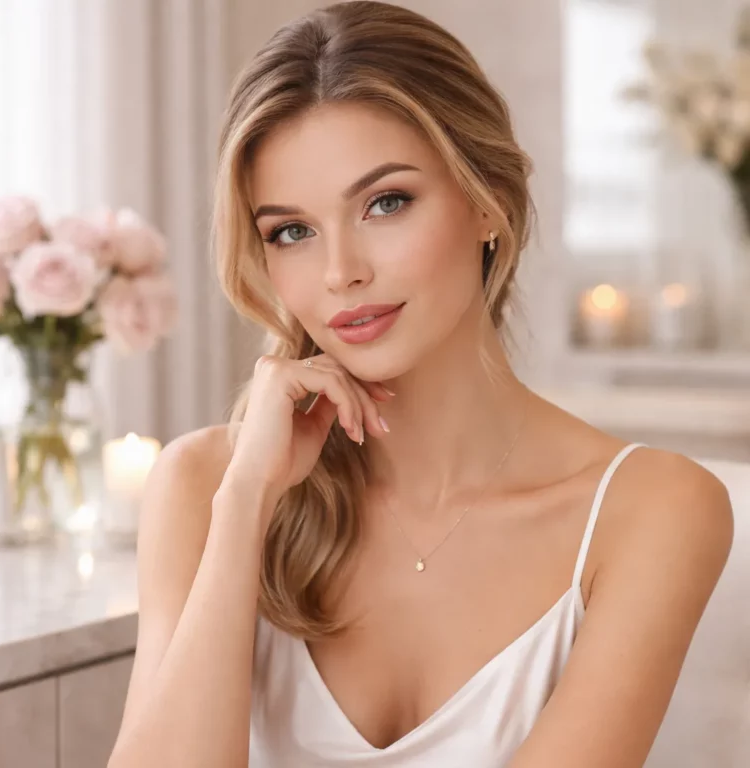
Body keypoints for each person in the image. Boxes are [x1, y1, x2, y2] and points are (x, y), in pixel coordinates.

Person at [107, 3, 734, 767]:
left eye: (386, 203)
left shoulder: (653, 510)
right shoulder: (206, 485)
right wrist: (245, 508)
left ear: (486, 201)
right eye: (291, 231)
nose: (341, 272)